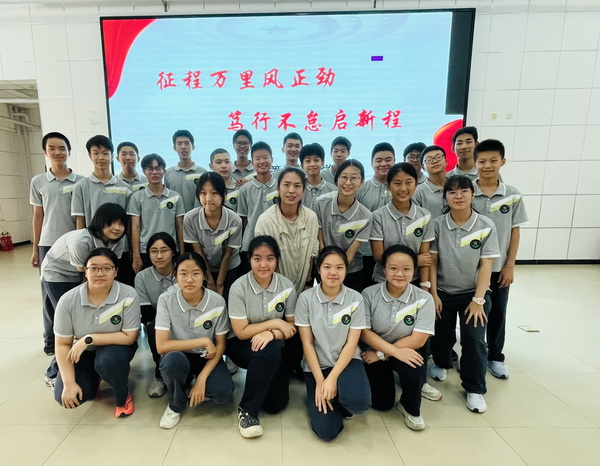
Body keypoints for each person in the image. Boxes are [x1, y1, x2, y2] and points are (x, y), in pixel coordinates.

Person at [428, 175, 500, 413]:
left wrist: (478, 300)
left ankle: (475, 388)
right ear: (445, 197)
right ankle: (442, 363)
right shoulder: (437, 224)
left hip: (474, 293)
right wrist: (434, 294)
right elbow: (433, 262)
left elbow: (486, 264)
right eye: (452, 192)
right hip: (444, 291)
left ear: (472, 194)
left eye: (463, 191)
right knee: (441, 334)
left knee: (474, 339)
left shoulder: (485, 225)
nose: (458, 196)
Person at [41, 203, 129, 386]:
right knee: (72, 324)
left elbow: (112, 268)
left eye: (121, 223)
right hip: (58, 274)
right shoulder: (81, 241)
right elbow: (86, 278)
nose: (117, 228)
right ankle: (54, 373)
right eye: (112, 223)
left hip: (83, 274)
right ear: (99, 222)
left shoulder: (118, 240)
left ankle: (91, 365)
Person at [53, 248, 140, 418]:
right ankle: (95, 375)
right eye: (93, 268)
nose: (100, 273)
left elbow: (129, 337)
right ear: (85, 271)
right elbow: (62, 344)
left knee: (109, 361)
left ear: (116, 271)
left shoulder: (128, 294)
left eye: (107, 268)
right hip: (83, 352)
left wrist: (89, 339)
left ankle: (123, 395)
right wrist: (69, 383)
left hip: (115, 347)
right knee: (70, 396)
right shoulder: (68, 300)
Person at [296, 247, 371, 442]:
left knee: (359, 403)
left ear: (346, 270)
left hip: (347, 361)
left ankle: (341, 392)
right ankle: (322, 394)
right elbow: (307, 344)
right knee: (327, 432)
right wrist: (321, 382)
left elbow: (352, 343)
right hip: (317, 366)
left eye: (339, 267)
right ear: (318, 269)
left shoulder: (355, 298)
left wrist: (332, 379)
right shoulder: (305, 298)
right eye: (327, 267)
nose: (333, 272)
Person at [227, 235, 298, 438]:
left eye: (270, 258)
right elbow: (240, 331)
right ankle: (247, 410)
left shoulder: (286, 286)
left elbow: (292, 326)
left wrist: (272, 333)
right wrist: (275, 324)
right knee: (269, 349)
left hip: (273, 343)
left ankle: (265, 375)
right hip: (240, 344)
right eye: (257, 258)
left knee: (275, 405)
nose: (263, 264)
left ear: (277, 260)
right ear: (249, 259)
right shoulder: (238, 287)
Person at [360, 245, 435, 431]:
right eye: (393, 268)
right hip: (374, 349)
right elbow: (364, 332)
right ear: (384, 269)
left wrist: (383, 354)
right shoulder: (368, 294)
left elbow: (419, 339)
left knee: (415, 367)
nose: (399, 274)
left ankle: (409, 407)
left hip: (402, 350)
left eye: (406, 269)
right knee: (382, 404)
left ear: (414, 270)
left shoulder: (424, 299)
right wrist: (385, 352)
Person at [155, 252, 234, 429]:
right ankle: (176, 403)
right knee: (172, 362)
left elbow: (221, 344)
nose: (189, 279)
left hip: (205, 356)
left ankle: (195, 385)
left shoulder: (217, 301)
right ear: (175, 276)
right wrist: (203, 341)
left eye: (196, 273)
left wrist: (202, 379)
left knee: (223, 394)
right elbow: (161, 346)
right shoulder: (166, 300)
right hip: (177, 355)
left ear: (204, 276)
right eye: (183, 273)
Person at [472, 139, 528, 380]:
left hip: (497, 267)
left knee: (497, 312)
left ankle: (495, 356)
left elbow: (515, 231)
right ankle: (470, 356)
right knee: (472, 314)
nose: (487, 166)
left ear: (502, 162)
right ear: (475, 163)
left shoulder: (512, 194)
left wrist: (509, 264)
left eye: (493, 161)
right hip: (470, 268)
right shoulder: (466, 192)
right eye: (482, 161)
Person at [30, 132, 84, 355]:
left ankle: (74, 336)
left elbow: (81, 216)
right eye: (52, 148)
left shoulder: (80, 181)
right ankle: (51, 340)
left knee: (76, 291)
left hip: (73, 244)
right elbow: (38, 215)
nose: (57, 152)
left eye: (62, 148)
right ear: (45, 152)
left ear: (69, 151)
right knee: (48, 295)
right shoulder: (39, 181)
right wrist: (35, 248)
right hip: (48, 243)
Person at [255, 167, 319, 295]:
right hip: (274, 289)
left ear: (303, 190)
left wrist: (308, 283)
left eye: (297, 186)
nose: (291, 190)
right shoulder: (265, 221)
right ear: (278, 189)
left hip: (303, 288)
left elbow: (312, 254)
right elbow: (265, 260)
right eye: (286, 185)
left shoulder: (311, 217)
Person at [370, 162, 433, 286]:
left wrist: (424, 286)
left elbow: (425, 258)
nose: (403, 188)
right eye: (397, 183)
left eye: (408, 182)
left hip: (414, 280)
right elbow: (379, 256)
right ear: (389, 186)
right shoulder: (378, 217)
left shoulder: (425, 216)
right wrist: (415, 260)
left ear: (416, 184)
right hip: (383, 280)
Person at [314, 159, 371, 292]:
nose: (348, 182)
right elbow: (320, 240)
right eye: (344, 177)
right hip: (323, 265)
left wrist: (339, 271)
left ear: (362, 182)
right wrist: (326, 267)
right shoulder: (321, 203)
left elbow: (351, 253)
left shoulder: (366, 216)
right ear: (336, 180)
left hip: (351, 270)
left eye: (354, 178)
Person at [183, 171, 242, 299]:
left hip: (229, 267)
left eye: (214, 193)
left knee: (226, 300)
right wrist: (209, 281)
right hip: (203, 265)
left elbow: (228, 255)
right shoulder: (190, 219)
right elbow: (198, 252)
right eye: (203, 193)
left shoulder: (235, 220)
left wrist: (219, 284)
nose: (208, 198)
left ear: (223, 194)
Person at [134, 232, 177, 398]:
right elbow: (146, 313)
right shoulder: (142, 277)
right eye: (154, 251)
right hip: (157, 323)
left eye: (164, 250)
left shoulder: (183, 272)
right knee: (153, 327)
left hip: (185, 321)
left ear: (173, 252)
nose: (159, 256)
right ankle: (159, 376)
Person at [128, 153, 185, 272]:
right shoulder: (137, 197)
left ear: (164, 171)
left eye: (158, 168)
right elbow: (135, 227)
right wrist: (136, 255)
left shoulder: (175, 197)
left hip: (170, 250)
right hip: (146, 250)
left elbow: (180, 227)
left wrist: (182, 253)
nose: (154, 172)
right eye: (150, 168)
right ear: (144, 171)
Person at [356, 142, 396, 289]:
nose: (384, 164)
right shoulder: (361, 189)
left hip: (394, 251)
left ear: (394, 161)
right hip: (366, 253)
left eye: (388, 160)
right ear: (372, 163)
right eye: (379, 160)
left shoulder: (400, 188)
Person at [71, 135, 132, 229]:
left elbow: (129, 221)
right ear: (90, 156)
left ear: (112, 156)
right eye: (96, 153)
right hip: (91, 238)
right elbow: (80, 220)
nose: (100, 158)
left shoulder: (125, 188)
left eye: (105, 153)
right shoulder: (81, 187)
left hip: (119, 238)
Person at [238, 141, 279, 262]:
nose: (262, 161)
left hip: (277, 242)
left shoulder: (280, 186)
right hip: (250, 243)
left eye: (265, 157)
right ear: (252, 162)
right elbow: (243, 219)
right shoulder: (245, 189)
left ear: (272, 160)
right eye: (257, 158)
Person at [164, 129, 207, 212]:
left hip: (198, 217)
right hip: (175, 218)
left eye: (187, 143)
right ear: (174, 148)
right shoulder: (168, 173)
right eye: (179, 144)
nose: (183, 147)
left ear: (193, 147)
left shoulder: (203, 172)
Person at [413, 145, 448, 219]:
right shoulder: (418, 192)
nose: (435, 161)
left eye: (438, 157)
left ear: (446, 161)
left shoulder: (457, 185)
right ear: (423, 167)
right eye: (429, 159)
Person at [300, 142, 336, 212]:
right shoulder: (297, 190)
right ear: (302, 165)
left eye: (316, 160)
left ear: (323, 163)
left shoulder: (333, 191)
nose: (312, 164)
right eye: (308, 161)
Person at [209, 148, 240, 213]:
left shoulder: (240, 189)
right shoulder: (205, 190)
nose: (224, 166)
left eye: (227, 162)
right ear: (210, 166)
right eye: (218, 162)